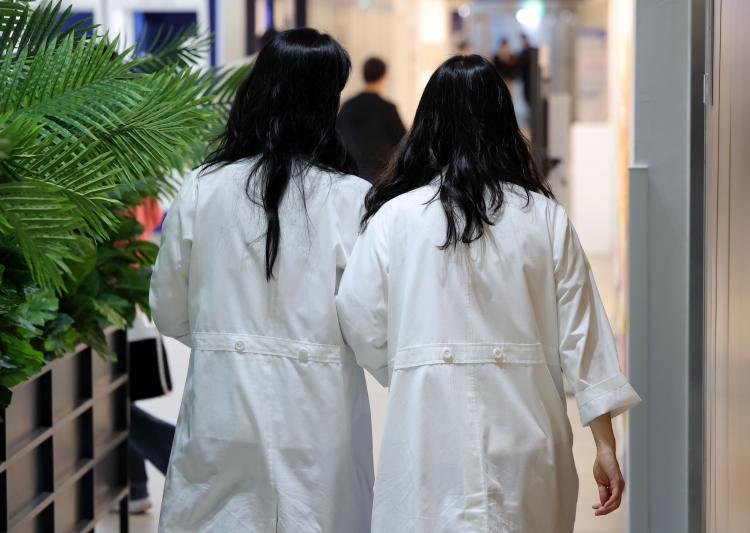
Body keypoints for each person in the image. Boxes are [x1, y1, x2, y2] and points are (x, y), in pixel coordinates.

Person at [336, 55, 641, 533]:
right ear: (503, 122)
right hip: (527, 443)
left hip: (426, 435)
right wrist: (605, 444)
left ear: (428, 124)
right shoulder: (545, 218)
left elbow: (358, 316)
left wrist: (408, 365)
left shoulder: (395, 218)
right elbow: (583, 338)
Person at [150, 29, 374, 532]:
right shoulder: (351, 199)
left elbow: (168, 309)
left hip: (221, 408)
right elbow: (369, 324)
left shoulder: (202, 187)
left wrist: (226, 341)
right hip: (320, 418)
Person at [338, 57, 406, 182]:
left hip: (350, 174)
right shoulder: (387, 108)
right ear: (383, 77)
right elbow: (402, 143)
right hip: (379, 176)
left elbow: (338, 137)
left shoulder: (347, 106)